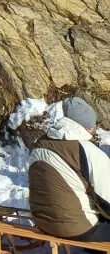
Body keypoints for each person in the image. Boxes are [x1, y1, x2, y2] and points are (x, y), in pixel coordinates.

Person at [29, 97, 110, 249]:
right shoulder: (87, 151)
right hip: (77, 229)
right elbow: (107, 198)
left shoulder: (40, 144)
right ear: (88, 127)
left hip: (42, 222)